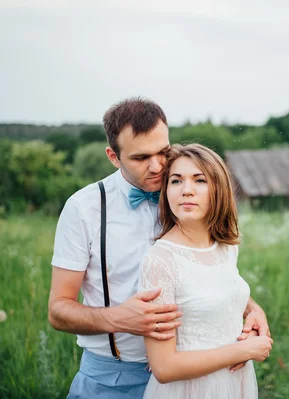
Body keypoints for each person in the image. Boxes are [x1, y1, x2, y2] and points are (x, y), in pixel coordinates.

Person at [47, 97, 270, 399]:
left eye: (162, 152)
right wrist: (118, 318)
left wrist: (253, 309)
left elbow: (202, 273)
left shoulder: (186, 195)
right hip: (114, 378)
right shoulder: (85, 208)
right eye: (140, 158)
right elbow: (58, 310)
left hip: (196, 375)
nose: (157, 167)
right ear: (114, 156)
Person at [137, 143, 273, 398]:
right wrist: (244, 351)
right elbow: (163, 368)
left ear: (218, 189)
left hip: (234, 384)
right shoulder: (160, 261)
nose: (186, 190)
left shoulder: (225, 247)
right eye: (176, 181)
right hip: (191, 389)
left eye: (200, 181)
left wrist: (254, 315)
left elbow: (223, 298)